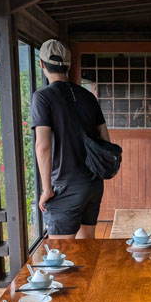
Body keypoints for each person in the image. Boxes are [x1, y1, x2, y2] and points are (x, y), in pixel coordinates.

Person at [31, 39, 111, 239]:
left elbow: (42, 146)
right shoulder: (87, 96)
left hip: (65, 186)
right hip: (93, 184)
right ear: (69, 65)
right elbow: (105, 139)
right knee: (86, 250)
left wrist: (47, 189)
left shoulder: (43, 97)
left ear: (41, 64)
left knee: (61, 256)